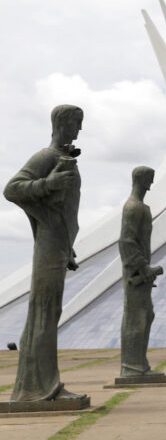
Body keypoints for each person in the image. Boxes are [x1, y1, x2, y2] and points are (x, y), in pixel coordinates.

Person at [3, 105, 88, 403]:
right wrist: (49, 184)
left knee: (49, 312)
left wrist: (68, 247)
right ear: (62, 124)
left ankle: (42, 384)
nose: (79, 130)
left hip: (58, 246)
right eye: (77, 124)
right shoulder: (47, 157)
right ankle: (37, 388)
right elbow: (12, 189)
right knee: (43, 311)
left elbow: (60, 212)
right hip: (48, 248)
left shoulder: (63, 158)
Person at [118, 166, 164, 378]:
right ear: (141, 179)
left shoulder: (142, 208)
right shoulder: (133, 207)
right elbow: (126, 242)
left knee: (147, 315)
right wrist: (142, 267)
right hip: (135, 275)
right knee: (136, 317)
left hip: (142, 274)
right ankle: (132, 367)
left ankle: (139, 364)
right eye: (150, 179)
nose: (151, 184)